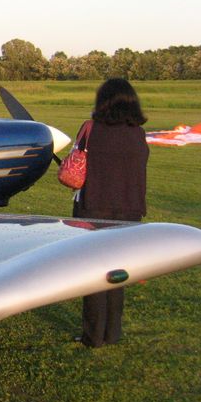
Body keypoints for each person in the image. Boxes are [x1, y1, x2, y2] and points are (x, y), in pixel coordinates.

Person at [72, 78, 149, 348]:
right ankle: (112, 332)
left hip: (93, 207)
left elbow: (74, 165)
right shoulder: (138, 134)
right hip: (130, 210)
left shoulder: (91, 129)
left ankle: (93, 336)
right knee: (118, 272)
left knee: (94, 273)